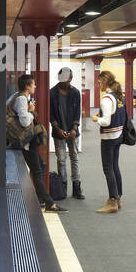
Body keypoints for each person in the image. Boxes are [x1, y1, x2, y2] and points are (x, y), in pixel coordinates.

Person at [6, 74, 65, 213]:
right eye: (33, 84)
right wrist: (31, 111)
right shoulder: (21, 99)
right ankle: (49, 203)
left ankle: (41, 198)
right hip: (25, 141)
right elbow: (25, 121)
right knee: (38, 171)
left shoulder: (16, 96)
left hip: (26, 141)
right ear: (27, 86)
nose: (35, 86)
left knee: (41, 165)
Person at [90, 70, 127, 214]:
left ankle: (112, 201)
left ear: (105, 82)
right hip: (118, 136)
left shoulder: (106, 99)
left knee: (108, 169)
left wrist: (96, 119)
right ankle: (118, 197)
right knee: (115, 166)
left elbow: (106, 121)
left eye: (99, 82)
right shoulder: (118, 97)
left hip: (108, 138)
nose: (98, 84)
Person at [49, 67, 85, 200]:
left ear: (71, 78)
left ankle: (77, 187)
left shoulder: (75, 92)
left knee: (74, 158)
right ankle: (62, 187)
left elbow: (77, 112)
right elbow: (50, 114)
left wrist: (74, 128)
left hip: (73, 132)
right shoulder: (52, 93)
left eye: (69, 78)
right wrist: (57, 128)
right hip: (59, 131)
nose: (67, 81)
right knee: (61, 160)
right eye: (64, 78)